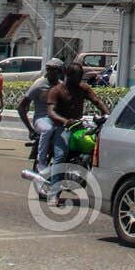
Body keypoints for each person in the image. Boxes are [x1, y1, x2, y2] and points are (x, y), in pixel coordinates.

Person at [47, 63, 107, 198]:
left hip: (79, 125)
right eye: (77, 76)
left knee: (95, 145)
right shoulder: (57, 90)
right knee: (61, 155)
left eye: (81, 76)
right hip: (61, 126)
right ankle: (54, 193)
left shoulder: (83, 88)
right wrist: (65, 121)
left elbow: (97, 101)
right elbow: (51, 111)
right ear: (68, 75)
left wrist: (108, 116)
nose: (80, 79)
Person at [17, 58, 63, 190]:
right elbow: (21, 107)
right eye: (48, 69)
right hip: (41, 119)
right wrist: (30, 129)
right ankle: (41, 162)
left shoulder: (61, 85)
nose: (50, 72)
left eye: (53, 70)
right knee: (47, 129)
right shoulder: (39, 84)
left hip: (57, 119)